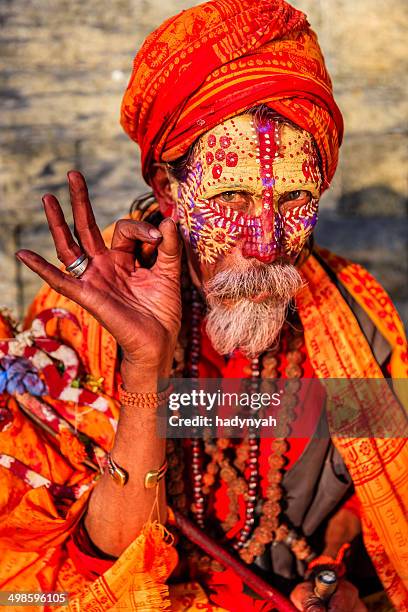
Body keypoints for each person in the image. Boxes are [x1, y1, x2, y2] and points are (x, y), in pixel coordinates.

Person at [0, 0, 407, 610]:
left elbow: (374, 494)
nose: (267, 241)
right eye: (235, 198)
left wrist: (338, 578)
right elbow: (69, 578)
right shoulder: (81, 326)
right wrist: (145, 365)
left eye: (294, 196)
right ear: (169, 189)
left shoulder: (358, 320)